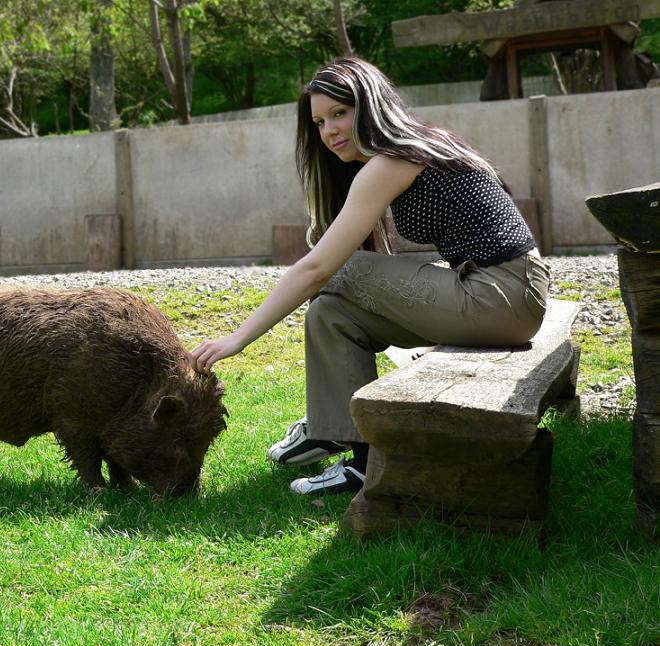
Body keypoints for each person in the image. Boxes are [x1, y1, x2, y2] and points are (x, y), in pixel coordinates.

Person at [190, 56, 550, 497]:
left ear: (371, 105)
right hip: (499, 294)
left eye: (340, 113)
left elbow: (318, 267)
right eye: (320, 122)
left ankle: (327, 430)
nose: (329, 131)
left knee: (336, 273)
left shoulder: (396, 159)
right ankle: (351, 450)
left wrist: (237, 339)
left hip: (502, 295)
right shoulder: (410, 150)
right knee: (331, 313)